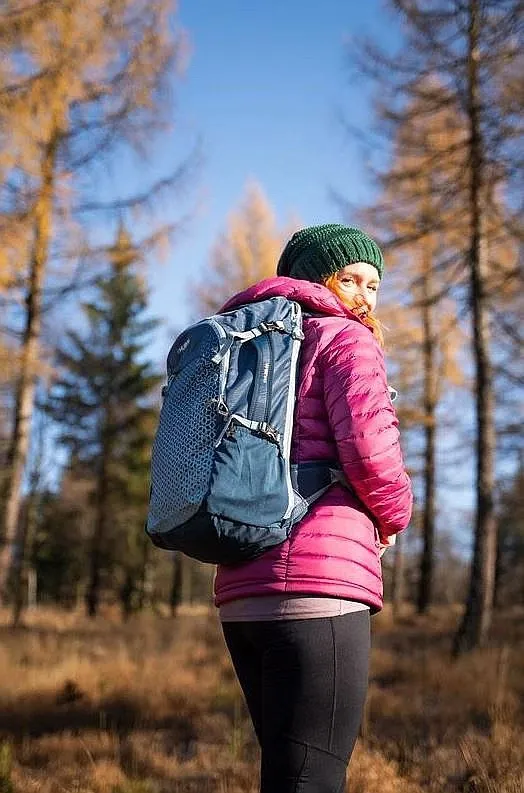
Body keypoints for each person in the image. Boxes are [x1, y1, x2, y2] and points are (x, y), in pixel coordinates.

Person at [214, 224, 413, 793]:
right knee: (313, 779)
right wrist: (394, 515)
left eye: (373, 284)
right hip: (319, 587)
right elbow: (370, 448)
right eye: (348, 278)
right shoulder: (346, 340)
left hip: (241, 589)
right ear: (310, 280)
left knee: (285, 771)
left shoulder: (242, 344)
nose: (363, 296)